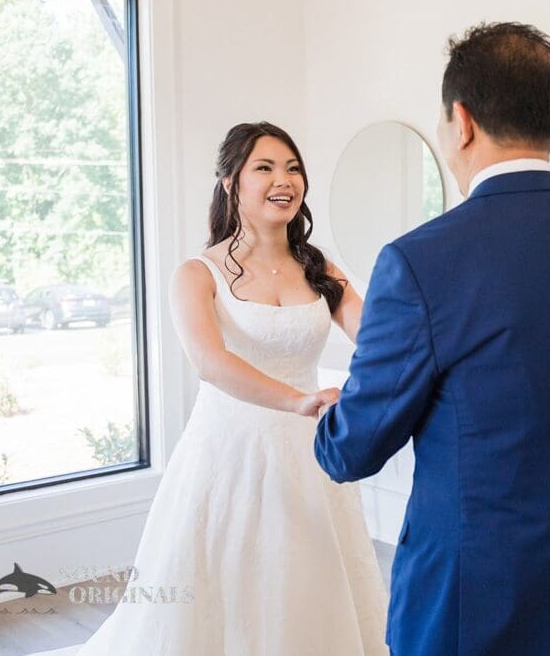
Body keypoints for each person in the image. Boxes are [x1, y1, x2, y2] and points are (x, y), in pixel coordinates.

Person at [314, 23, 550, 656]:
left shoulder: (419, 261)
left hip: (471, 601)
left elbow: (352, 451)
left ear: (462, 122)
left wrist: (334, 415)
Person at [33, 122, 387, 655]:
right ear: (230, 183)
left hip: (312, 455)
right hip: (230, 452)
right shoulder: (197, 274)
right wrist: (299, 401)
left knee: (308, 584)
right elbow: (212, 363)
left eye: (292, 168)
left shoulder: (321, 270)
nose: (284, 180)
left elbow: (380, 338)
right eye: (264, 168)